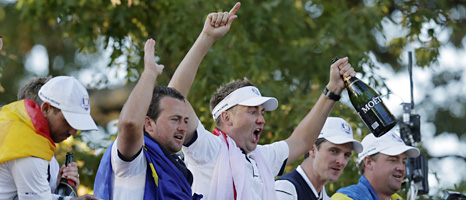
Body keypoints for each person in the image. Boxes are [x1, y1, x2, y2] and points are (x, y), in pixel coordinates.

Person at [168, 2, 356, 199]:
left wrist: (332, 90)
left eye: (262, 112)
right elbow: (173, 98)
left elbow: (301, 141)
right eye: (252, 111)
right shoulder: (209, 147)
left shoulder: (261, 157)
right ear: (227, 118)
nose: (261, 120)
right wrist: (207, 38)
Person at [93, 39, 201, 200]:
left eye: (185, 121)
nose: (183, 128)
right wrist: (149, 74)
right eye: (175, 119)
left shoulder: (178, 169)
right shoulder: (134, 161)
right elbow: (129, 124)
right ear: (148, 123)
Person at [0, 76, 99, 200]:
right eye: (68, 121)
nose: (74, 132)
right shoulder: (28, 147)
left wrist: (58, 185)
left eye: (77, 124)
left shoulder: (26, 135)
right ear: (46, 108)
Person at [275, 117, 363, 200]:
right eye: (333, 151)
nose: (341, 162)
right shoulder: (285, 190)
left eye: (346, 155)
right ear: (312, 149)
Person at [331, 130, 420, 200]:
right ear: (368, 162)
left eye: (403, 162)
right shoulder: (346, 198)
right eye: (393, 160)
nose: (401, 168)